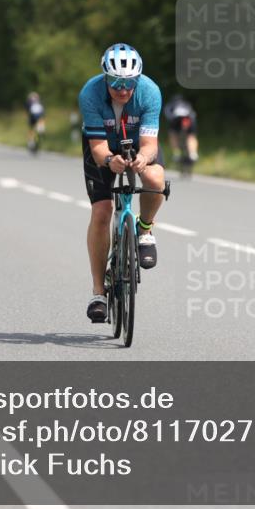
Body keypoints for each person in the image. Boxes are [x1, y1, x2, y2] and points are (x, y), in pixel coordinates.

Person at [79, 43, 165, 323]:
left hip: (138, 144)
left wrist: (143, 158)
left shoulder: (149, 92)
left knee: (155, 178)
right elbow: (98, 148)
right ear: (105, 77)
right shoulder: (90, 93)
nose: (123, 89)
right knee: (101, 212)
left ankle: (144, 229)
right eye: (116, 82)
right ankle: (98, 293)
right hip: (103, 148)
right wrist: (108, 160)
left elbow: (150, 144)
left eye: (130, 82)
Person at [163, 93, 199, 163]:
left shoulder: (170, 105)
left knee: (173, 134)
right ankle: (193, 153)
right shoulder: (186, 104)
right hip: (189, 120)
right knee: (191, 136)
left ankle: (176, 153)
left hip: (176, 120)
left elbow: (168, 116)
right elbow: (193, 114)